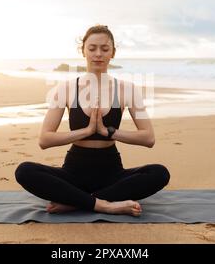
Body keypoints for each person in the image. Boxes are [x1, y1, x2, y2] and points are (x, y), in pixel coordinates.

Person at [15, 25, 170, 216]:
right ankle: (104, 204)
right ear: (83, 51)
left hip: (112, 173)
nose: (98, 54)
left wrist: (109, 132)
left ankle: (77, 201)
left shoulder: (127, 90)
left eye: (105, 49)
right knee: (24, 171)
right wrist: (86, 131)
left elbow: (148, 138)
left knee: (159, 173)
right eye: (92, 48)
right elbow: (45, 140)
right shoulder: (66, 89)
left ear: (113, 52)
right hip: (73, 172)